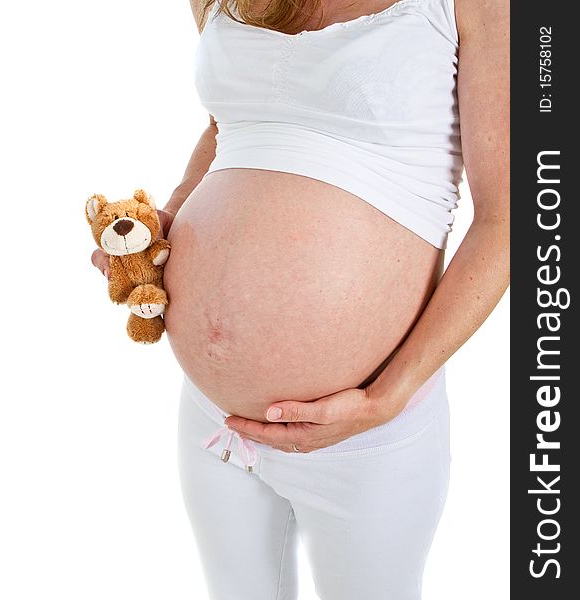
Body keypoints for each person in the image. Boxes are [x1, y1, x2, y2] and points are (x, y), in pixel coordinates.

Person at [92, 0, 509, 598]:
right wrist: (169, 219)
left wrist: (387, 397)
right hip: (215, 422)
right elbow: (229, 123)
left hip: (364, 427)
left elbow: (512, 216)